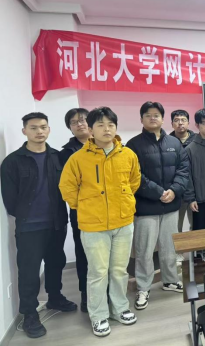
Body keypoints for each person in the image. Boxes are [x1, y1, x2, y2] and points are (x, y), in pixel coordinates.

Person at [59, 107, 141, 337]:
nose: (107, 129)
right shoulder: (78, 158)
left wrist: (124, 201)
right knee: (98, 272)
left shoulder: (128, 154)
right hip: (93, 225)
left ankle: (119, 308)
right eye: (101, 125)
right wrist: (84, 206)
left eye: (111, 125)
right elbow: (66, 187)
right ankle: (98, 315)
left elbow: (134, 181)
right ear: (91, 129)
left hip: (123, 221)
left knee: (119, 270)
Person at [1, 113, 77, 339]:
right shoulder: (12, 162)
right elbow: (10, 200)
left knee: (56, 263)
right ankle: (29, 315)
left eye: (43, 127)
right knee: (29, 272)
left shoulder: (57, 157)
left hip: (56, 222)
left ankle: (55, 298)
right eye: (33, 128)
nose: (39, 131)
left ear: (49, 129)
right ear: (24, 131)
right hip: (29, 227)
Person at [126, 102, 189, 312]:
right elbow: (135, 176)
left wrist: (174, 190)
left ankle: (170, 280)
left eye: (156, 115)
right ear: (141, 119)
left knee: (169, 247)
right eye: (148, 115)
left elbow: (183, 169)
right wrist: (159, 192)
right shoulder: (133, 145)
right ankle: (143, 287)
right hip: (146, 207)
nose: (153, 118)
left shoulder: (174, 142)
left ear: (162, 119)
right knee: (144, 250)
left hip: (171, 205)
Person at [59, 108, 92, 313]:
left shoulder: (106, 146)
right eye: (74, 122)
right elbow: (67, 186)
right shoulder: (65, 154)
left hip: (108, 210)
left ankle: (109, 293)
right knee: (84, 253)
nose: (80, 124)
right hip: (81, 211)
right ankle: (86, 295)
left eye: (83, 120)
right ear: (70, 128)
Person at [169, 109, 196, 233]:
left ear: (188, 123)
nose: (180, 123)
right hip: (175, 192)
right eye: (176, 120)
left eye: (183, 120)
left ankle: (195, 247)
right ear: (172, 124)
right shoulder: (167, 142)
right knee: (175, 228)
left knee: (196, 226)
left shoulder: (197, 140)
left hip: (195, 192)